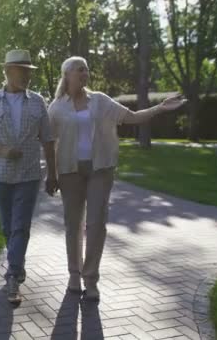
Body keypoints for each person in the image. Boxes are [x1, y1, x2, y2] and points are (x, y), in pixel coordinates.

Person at [48, 56, 186, 302]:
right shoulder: (56, 107)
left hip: (100, 169)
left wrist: (159, 108)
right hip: (69, 172)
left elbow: (132, 116)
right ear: (67, 74)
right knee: (72, 226)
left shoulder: (100, 101)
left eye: (87, 70)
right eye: (80, 70)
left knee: (96, 225)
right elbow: (48, 142)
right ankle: (73, 274)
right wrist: (51, 174)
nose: (85, 73)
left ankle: (90, 280)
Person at [0, 49, 58, 304]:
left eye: (29, 71)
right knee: (7, 226)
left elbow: (48, 139)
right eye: (21, 71)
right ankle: (18, 265)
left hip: (29, 174)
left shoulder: (37, 102)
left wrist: (52, 174)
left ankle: (13, 278)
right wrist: (2, 150)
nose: (26, 76)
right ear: (8, 72)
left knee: (20, 226)